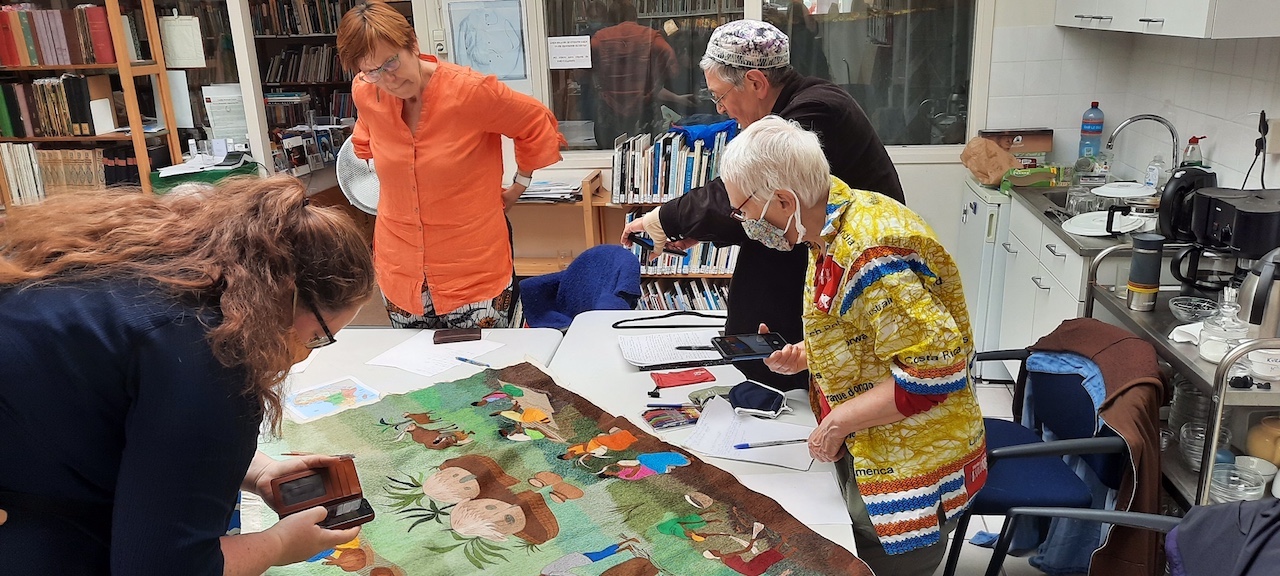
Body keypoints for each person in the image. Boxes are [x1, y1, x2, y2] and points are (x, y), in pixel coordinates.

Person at [0, 174, 378, 574]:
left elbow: (146, 422)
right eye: (319, 338)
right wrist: (278, 543)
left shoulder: (174, 263)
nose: (302, 360)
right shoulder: (214, 354)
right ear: (287, 296)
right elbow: (164, 567)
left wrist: (259, 471)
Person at [724, 117, 985, 576]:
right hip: (875, 442)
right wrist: (810, 353)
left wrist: (836, 424)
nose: (745, 223)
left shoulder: (869, 252)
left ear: (784, 200)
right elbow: (866, 328)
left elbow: (933, 374)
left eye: (744, 211)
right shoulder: (829, 223)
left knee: (884, 565)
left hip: (906, 459)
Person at [621, 19, 903, 391]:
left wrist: (664, 220)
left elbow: (745, 194)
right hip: (821, 251)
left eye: (720, 96)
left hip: (856, 262)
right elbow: (756, 210)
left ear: (755, 82)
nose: (720, 109)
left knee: (790, 355)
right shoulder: (800, 103)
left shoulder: (813, 114)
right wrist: (697, 228)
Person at [337, 1, 565, 329]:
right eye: (373, 71)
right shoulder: (366, 92)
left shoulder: (470, 92)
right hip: (401, 271)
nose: (389, 79)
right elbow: (364, 144)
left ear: (412, 44)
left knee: (490, 372)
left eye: (391, 62)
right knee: (419, 371)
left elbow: (535, 121)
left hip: (473, 271)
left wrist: (519, 185)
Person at [589, 0, 696, 146]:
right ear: (635, 16)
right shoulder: (651, 36)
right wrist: (656, 78)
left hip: (609, 111)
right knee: (646, 157)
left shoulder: (598, 39)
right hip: (644, 109)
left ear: (610, 19)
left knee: (609, 156)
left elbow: (581, 74)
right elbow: (673, 68)